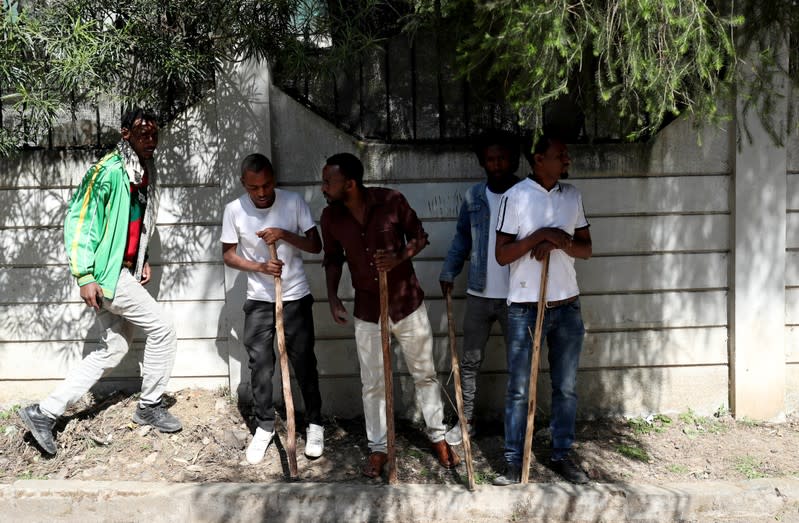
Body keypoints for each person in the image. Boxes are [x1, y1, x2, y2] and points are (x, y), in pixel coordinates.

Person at [19, 108, 181, 455]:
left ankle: (44, 412)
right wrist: (85, 275)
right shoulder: (108, 171)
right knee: (163, 329)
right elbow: (80, 222)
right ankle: (149, 406)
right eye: (143, 134)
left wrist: (143, 258)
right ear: (125, 133)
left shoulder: (141, 170)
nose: (150, 140)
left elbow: (135, 221)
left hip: (123, 270)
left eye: (154, 134)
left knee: (115, 348)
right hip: (106, 275)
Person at [320, 152, 460, 478]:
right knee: (373, 384)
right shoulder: (331, 218)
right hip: (368, 311)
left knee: (424, 374)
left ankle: (438, 437)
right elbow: (332, 258)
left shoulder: (391, 201)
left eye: (329, 181)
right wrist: (332, 297)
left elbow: (420, 237)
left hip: (407, 306)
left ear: (350, 183)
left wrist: (398, 258)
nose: (323, 186)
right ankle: (379, 448)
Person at [492, 132, 592, 485]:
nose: (566, 160)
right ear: (538, 159)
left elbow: (586, 248)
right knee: (520, 387)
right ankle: (514, 461)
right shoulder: (514, 198)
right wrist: (541, 235)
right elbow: (502, 255)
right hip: (525, 307)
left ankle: (562, 454)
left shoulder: (572, 196)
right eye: (560, 154)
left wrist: (560, 241)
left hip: (566, 305)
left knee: (565, 387)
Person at [221, 153, 325, 464]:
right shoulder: (234, 210)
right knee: (260, 364)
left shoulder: (293, 203)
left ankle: (315, 425)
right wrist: (260, 267)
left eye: (267, 185)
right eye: (255, 188)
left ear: (274, 179)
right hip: (260, 299)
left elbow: (315, 245)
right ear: (244, 184)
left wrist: (283, 234)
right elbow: (228, 255)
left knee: (304, 361)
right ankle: (264, 427)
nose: (263, 193)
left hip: (295, 296)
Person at [439, 129, 520, 445]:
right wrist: (449, 270)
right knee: (469, 361)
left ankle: (516, 425)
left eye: (501, 158)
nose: (496, 164)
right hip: (479, 294)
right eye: (490, 159)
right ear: (482, 162)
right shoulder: (474, 196)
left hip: (517, 296)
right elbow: (462, 238)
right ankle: (465, 421)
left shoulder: (525, 193)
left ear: (511, 159)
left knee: (519, 364)